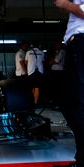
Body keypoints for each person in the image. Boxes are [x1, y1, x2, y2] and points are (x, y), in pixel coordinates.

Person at [53, 0, 84, 166]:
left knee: (75, 104)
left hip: (81, 43)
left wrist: (64, 3)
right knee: (69, 103)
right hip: (76, 45)